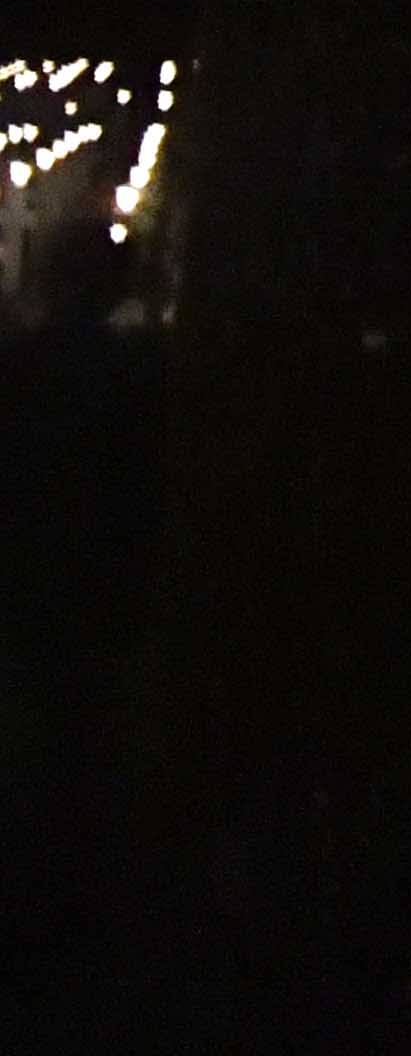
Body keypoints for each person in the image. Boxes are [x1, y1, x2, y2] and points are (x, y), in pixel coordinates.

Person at [0, 213, 160, 999]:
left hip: (42, 578)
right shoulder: (134, 374)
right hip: (99, 583)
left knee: (48, 731)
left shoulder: (25, 365)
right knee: (84, 737)